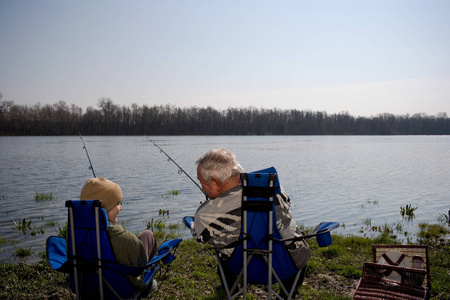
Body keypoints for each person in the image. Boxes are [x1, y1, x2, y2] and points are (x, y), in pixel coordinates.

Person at [192, 149, 311, 297]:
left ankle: (232, 290)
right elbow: (286, 204)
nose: (201, 187)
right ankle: (288, 294)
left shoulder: (207, 214)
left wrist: (214, 203)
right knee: (293, 237)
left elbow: (199, 235)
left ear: (216, 183)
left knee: (223, 246)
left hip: (241, 268)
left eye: (201, 182)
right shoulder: (273, 186)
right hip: (287, 265)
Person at [80, 177, 158, 291]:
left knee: (145, 235)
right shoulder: (124, 239)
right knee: (148, 235)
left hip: (87, 286)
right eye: (117, 203)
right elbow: (140, 265)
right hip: (121, 289)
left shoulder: (74, 236)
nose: (121, 208)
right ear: (105, 207)